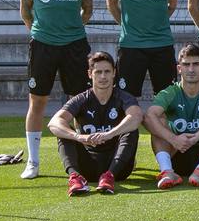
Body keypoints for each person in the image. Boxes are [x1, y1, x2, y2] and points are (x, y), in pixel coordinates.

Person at [20, 0, 93, 180]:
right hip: (43, 44)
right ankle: (33, 161)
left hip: (75, 44)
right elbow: (25, 11)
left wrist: (69, 30)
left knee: (79, 101)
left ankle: (85, 158)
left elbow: (87, 9)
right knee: (37, 101)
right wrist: (43, 32)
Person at [47, 52, 141, 196]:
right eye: (98, 72)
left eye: (107, 71)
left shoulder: (123, 97)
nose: (103, 77)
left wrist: (109, 134)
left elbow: (136, 117)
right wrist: (79, 137)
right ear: (90, 74)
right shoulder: (81, 99)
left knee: (131, 129)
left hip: (118, 167)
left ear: (114, 73)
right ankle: (75, 178)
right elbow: (53, 123)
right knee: (64, 132)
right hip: (88, 165)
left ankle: (109, 176)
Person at [145, 43, 199, 188]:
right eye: (186, 65)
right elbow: (148, 117)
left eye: (196, 64)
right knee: (157, 120)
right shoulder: (170, 92)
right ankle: (167, 172)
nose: (191, 69)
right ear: (179, 69)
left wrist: (198, 135)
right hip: (178, 151)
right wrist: (174, 139)